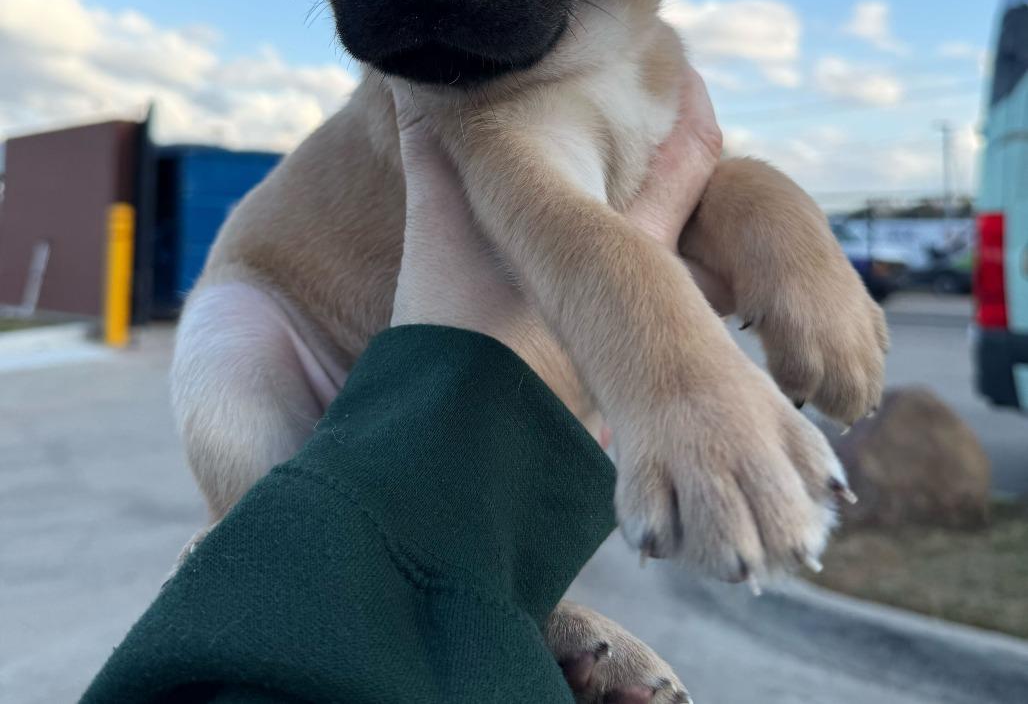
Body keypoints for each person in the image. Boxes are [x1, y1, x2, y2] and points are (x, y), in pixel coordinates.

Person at [81, 66, 724, 704]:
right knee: (228, 322)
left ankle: (349, 582)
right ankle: (257, 552)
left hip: (418, 446)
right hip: (303, 332)